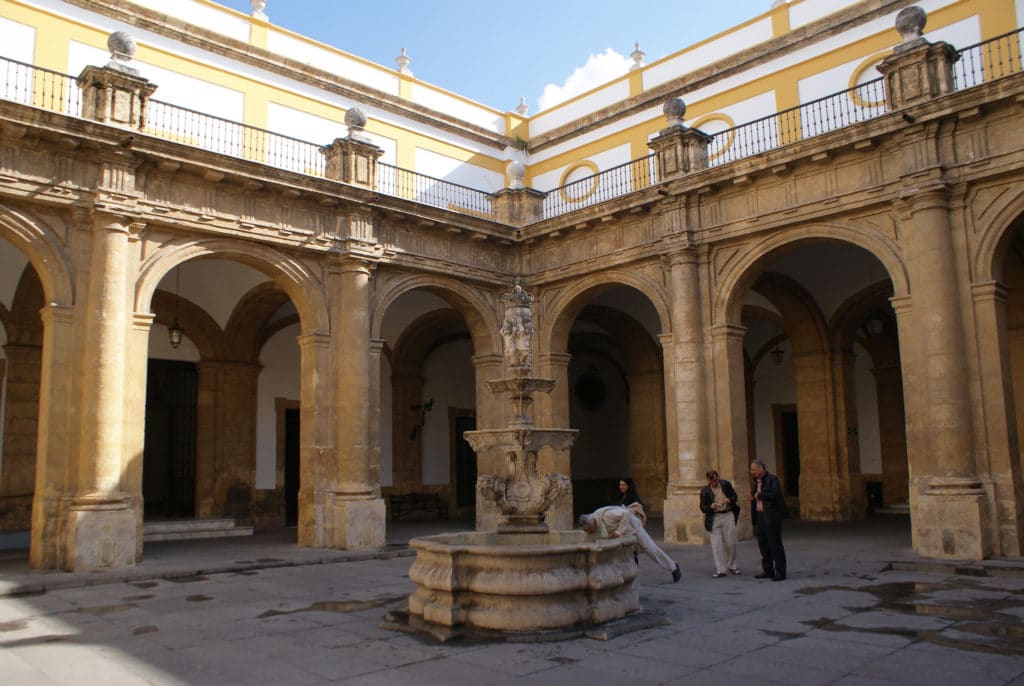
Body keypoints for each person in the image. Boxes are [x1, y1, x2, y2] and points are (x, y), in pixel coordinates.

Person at [579, 505, 682, 583]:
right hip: (624, 535)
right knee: (629, 553)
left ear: (593, 523)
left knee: (650, 548)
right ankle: (631, 575)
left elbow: (625, 514)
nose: (590, 533)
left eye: (590, 530)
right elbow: (588, 539)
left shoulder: (606, 515)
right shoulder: (592, 524)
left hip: (633, 527)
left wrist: (619, 532)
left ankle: (673, 567)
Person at [748, 459, 787, 581]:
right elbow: (756, 496)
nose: (752, 472)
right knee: (763, 545)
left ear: (761, 468)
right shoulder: (756, 482)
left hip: (771, 517)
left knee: (775, 544)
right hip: (760, 516)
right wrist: (753, 498)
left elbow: (775, 494)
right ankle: (768, 570)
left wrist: (758, 495)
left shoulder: (772, 480)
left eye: (753, 469)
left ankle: (780, 572)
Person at [699, 470, 740, 578]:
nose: (715, 482)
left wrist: (729, 500)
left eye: (716, 479)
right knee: (716, 545)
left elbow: (735, 497)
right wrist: (710, 507)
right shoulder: (705, 491)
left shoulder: (726, 484)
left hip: (727, 514)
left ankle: (732, 565)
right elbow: (703, 508)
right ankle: (721, 569)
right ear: (708, 480)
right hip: (714, 517)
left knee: (730, 542)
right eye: (712, 480)